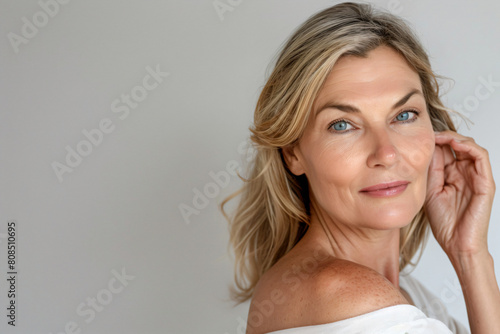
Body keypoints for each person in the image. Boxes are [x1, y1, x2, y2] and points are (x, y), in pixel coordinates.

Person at [221, 2, 499, 333]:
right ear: (292, 152)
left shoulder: (400, 293)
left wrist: (470, 254)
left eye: (404, 115)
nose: (386, 153)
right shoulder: (351, 298)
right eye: (342, 125)